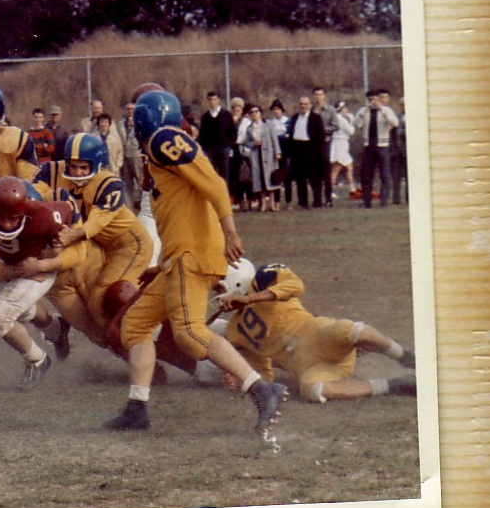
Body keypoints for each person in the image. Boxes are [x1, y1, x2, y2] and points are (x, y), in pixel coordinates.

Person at [104, 89, 287, 435]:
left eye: (135, 114)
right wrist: (162, 265)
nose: (132, 120)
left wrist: (230, 230)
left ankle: (261, 388)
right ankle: (137, 408)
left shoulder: (164, 137)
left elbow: (215, 184)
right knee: (136, 325)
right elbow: (182, 207)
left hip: (193, 255)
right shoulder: (155, 152)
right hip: (178, 259)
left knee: (189, 333)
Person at [0, 176, 88, 390]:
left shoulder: (44, 216)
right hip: (13, 268)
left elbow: (75, 234)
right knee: (22, 311)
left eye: (13, 218)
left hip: (39, 267)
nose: (6, 223)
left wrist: (46, 262)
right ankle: (56, 329)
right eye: (1, 216)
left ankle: (37, 359)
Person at [217, 262, 416, 403]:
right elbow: (265, 373)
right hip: (303, 365)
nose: (219, 296)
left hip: (318, 334)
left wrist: (252, 299)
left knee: (351, 329)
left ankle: (403, 355)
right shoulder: (234, 330)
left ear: (237, 282)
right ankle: (394, 385)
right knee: (313, 389)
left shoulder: (264, 279)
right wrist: (242, 378)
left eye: (220, 288)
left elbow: (296, 286)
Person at [34, 132, 154, 351]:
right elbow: (34, 195)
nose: (78, 173)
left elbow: (98, 221)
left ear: (96, 166)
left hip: (128, 246)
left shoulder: (109, 183)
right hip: (97, 245)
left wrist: (74, 233)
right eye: (74, 167)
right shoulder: (50, 171)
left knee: (102, 300)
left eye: (84, 168)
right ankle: (125, 350)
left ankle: (142, 344)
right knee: (91, 316)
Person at [353, 90, 400, 208]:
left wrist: (381, 110)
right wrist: (364, 113)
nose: (372, 102)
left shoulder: (386, 110)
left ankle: (384, 201)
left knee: (385, 174)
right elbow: (356, 124)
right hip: (369, 146)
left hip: (382, 146)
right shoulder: (363, 111)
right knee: (366, 175)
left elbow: (395, 122)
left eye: (374, 99)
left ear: (378, 100)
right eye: (370, 100)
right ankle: (366, 201)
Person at [239, 105, 281, 215]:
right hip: (256, 155)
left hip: (268, 155)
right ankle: (262, 203)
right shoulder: (249, 128)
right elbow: (246, 143)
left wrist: (277, 152)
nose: (254, 114)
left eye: (256, 111)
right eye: (252, 112)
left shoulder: (268, 125)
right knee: (259, 180)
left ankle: (272, 203)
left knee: (270, 179)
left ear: (260, 113)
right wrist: (254, 143)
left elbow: (274, 139)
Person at [286, 95, 326, 209]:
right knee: (300, 177)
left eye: (305, 104)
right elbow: (291, 135)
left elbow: (321, 135)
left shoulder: (315, 118)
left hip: (311, 149)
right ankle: (303, 203)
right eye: (301, 104)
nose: (303, 106)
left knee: (314, 177)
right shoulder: (294, 118)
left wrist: (316, 150)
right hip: (297, 149)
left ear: (310, 105)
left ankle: (317, 202)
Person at [197, 91, 234, 179]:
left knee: (224, 172)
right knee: (211, 172)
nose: (212, 102)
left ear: (218, 100)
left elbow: (232, 131)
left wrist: (229, 145)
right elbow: (202, 134)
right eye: (210, 100)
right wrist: (203, 147)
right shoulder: (205, 117)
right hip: (210, 149)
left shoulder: (226, 115)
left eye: (214, 99)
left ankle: (224, 191)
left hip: (223, 148)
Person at [313, 87, 337, 206]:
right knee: (315, 173)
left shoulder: (330, 110)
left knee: (326, 173)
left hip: (325, 143)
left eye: (320, 94)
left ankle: (328, 199)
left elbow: (335, 126)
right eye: (316, 94)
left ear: (324, 96)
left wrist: (324, 130)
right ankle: (317, 199)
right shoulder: (311, 110)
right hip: (313, 145)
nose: (318, 97)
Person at [328, 101, 357, 197]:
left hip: (343, 143)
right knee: (336, 168)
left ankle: (352, 190)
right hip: (340, 143)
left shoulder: (341, 118)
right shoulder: (340, 119)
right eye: (344, 108)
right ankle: (329, 191)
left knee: (349, 167)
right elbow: (351, 131)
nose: (346, 110)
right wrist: (351, 119)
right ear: (340, 109)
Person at [118, 102, 144, 210]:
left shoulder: (141, 122)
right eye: (128, 109)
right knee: (127, 184)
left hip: (137, 155)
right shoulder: (120, 124)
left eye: (132, 109)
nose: (130, 111)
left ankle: (145, 207)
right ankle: (129, 209)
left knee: (141, 182)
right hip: (125, 156)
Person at [93, 112, 124, 177]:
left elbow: (120, 151)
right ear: (98, 124)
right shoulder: (94, 137)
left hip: (112, 167)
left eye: (106, 122)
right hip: (99, 167)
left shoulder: (115, 137)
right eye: (102, 122)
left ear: (109, 124)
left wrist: (118, 165)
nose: (104, 124)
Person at [391, 98, 407, 204]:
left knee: (409, 176)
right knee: (396, 176)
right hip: (397, 150)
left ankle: (409, 198)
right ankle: (396, 198)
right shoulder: (396, 117)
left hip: (408, 150)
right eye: (402, 105)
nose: (403, 107)